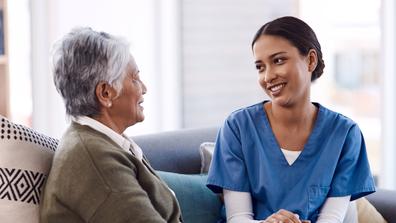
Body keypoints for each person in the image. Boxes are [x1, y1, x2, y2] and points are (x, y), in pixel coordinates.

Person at [206, 16, 375, 223]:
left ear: (311, 60)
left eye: (278, 60)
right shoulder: (238, 128)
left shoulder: (345, 134)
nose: (268, 76)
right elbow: (238, 217)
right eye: (260, 67)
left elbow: (332, 218)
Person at [40, 27, 182, 223]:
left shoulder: (100, 143)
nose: (144, 88)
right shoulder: (94, 160)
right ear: (105, 93)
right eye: (134, 79)